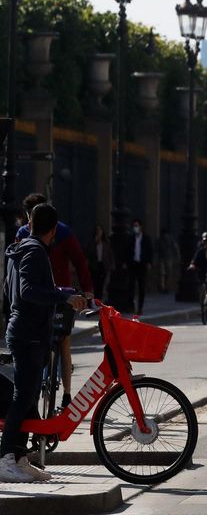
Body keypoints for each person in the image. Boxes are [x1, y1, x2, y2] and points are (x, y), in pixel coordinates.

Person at [0, 203, 88, 482]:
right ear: (53, 230)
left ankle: (20, 457)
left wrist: (65, 292)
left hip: (26, 330)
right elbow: (27, 291)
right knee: (23, 397)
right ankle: (5, 459)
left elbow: (11, 289)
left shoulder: (22, 249)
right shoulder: (36, 251)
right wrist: (61, 298)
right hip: (28, 334)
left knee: (28, 398)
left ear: (30, 222)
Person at [15, 194, 94, 409]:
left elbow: (79, 260)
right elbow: (80, 261)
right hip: (56, 295)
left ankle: (66, 393)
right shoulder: (57, 231)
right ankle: (66, 395)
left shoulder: (26, 234)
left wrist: (86, 291)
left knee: (62, 341)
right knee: (62, 342)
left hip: (59, 295)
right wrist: (87, 292)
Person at [129, 220, 154, 315]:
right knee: (131, 286)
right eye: (134, 226)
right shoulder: (131, 238)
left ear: (141, 227)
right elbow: (128, 250)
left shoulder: (146, 239)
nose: (135, 228)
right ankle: (131, 306)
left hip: (142, 265)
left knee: (141, 287)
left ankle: (140, 307)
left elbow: (150, 251)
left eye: (137, 226)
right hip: (133, 264)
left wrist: (149, 262)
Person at [88, 225, 113, 305]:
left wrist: (111, 264)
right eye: (97, 231)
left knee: (101, 285)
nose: (99, 232)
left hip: (103, 265)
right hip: (95, 265)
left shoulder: (106, 243)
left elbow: (110, 254)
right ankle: (95, 302)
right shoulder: (92, 242)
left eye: (100, 231)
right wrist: (95, 242)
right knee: (95, 284)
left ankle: (99, 301)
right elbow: (89, 253)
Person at [155, 228, 178, 294]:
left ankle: (165, 287)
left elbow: (175, 247)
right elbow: (175, 247)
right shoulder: (168, 239)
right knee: (164, 273)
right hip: (165, 258)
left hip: (166, 258)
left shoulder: (165, 240)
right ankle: (164, 287)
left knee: (165, 273)